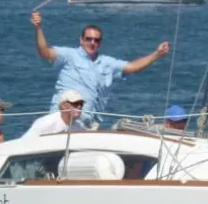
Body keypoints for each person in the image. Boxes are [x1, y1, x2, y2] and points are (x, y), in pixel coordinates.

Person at [31, 11, 170, 129]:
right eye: (88, 39)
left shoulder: (107, 63)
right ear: (81, 40)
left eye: (96, 40)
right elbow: (45, 52)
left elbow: (133, 67)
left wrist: (157, 54)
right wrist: (38, 28)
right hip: (62, 120)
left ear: (100, 43)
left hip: (87, 124)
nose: (92, 43)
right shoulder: (69, 55)